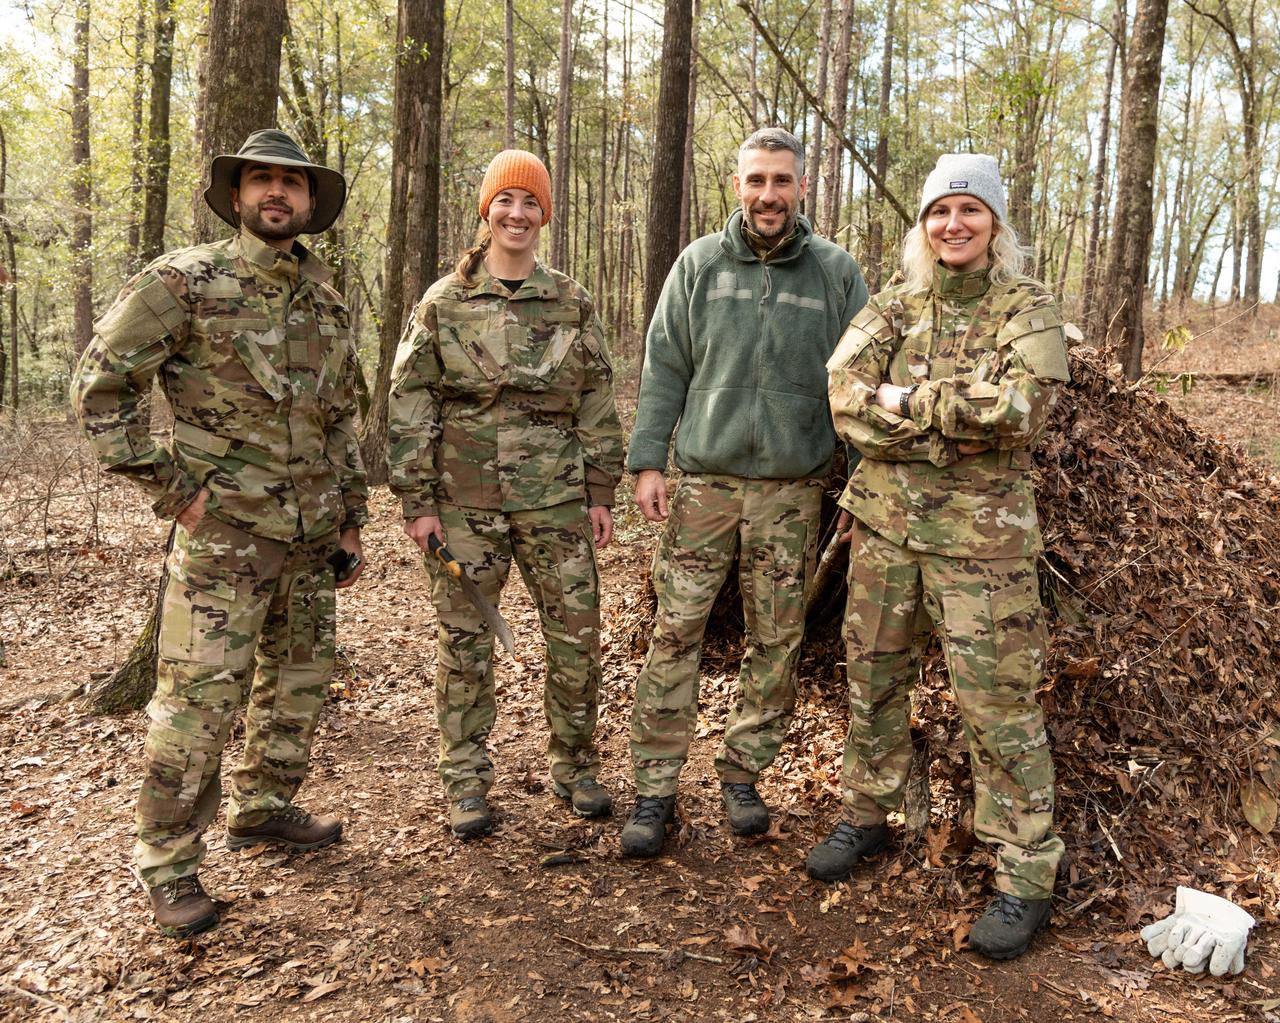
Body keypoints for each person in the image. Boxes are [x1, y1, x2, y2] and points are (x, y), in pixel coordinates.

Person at [72, 129, 367, 937]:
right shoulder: (185, 280)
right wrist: (174, 492)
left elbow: (341, 417)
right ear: (236, 195)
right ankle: (168, 863)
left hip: (309, 539)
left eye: (292, 184)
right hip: (223, 538)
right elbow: (101, 388)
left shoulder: (326, 297)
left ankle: (264, 807)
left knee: (297, 687)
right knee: (198, 707)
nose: (278, 194)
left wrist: (350, 517)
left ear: (310, 204)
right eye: (261, 181)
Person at [810, 153, 1069, 960]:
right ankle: (867, 813)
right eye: (940, 211)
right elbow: (843, 390)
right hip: (887, 532)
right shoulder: (895, 303)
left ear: (995, 223)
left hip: (982, 547)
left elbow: (1023, 407)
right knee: (873, 676)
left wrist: (909, 404)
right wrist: (950, 423)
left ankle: (1026, 869)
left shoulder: (1026, 306)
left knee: (997, 703)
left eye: (970, 209)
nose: (953, 223)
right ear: (923, 225)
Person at [622, 127, 869, 858]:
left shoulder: (834, 273)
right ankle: (654, 789)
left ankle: (742, 772)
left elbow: (857, 379)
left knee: (776, 638)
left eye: (782, 181)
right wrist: (648, 463)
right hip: (703, 484)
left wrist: (860, 480)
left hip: (793, 492)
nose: (769, 195)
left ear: (801, 187)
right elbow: (664, 366)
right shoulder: (699, 265)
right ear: (738, 185)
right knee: (677, 630)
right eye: (756, 180)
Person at [387, 150, 624, 840]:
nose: (516, 214)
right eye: (505, 202)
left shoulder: (572, 301)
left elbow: (595, 399)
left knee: (576, 641)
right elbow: (410, 402)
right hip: (465, 503)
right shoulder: (444, 303)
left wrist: (601, 488)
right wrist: (417, 500)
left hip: (555, 501)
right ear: (486, 211)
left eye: (530, 203)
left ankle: (575, 765)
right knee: (465, 645)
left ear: (544, 214)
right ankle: (465, 780)